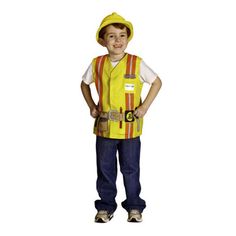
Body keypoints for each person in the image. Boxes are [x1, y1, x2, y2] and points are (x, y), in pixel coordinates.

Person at [81, 12, 162, 223]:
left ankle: (134, 206)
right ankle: (106, 207)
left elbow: (157, 82)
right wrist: (91, 106)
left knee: (131, 168)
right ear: (103, 40)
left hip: (130, 128)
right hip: (105, 128)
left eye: (122, 35)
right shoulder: (97, 64)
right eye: (112, 36)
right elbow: (84, 84)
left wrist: (144, 107)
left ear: (128, 38)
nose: (118, 41)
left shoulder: (137, 63)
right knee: (105, 169)